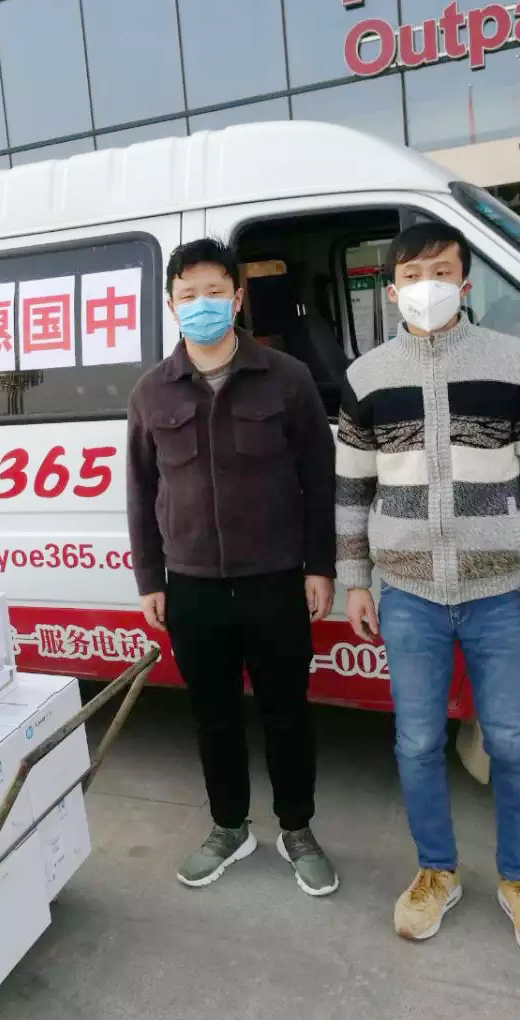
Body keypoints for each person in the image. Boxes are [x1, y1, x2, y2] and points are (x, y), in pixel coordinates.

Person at [336, 221, 520, 960]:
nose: (426, 286)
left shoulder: (515, 363)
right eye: (412, 274)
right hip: (407, 594)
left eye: (441, 272)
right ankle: (436, 870)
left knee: (513, 741)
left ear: (465, 283)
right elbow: (351, 489)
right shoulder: (367, 376)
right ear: (392, 288)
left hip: (499, 592)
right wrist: (355, 581)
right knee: (416, 741)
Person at [126, 237, 338, 895]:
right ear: (171, 305)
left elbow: (319, 478)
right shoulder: (152, 392)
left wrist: (320, 565)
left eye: (215, 292)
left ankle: (297, 828)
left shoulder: (286, 378)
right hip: (192, 586)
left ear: (237, 298)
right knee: (212, 714)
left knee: (286, 712)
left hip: (275, 579)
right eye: (188, 295)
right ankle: (229, 827)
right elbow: (140, 489)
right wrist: (150, 578)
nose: (202, 304)